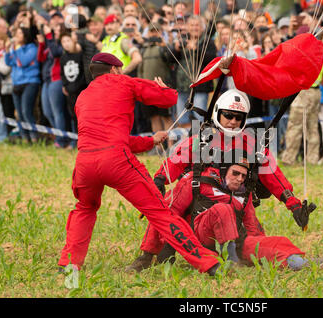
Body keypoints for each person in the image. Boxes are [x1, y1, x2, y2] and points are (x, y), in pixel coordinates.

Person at [57, 52, 220, 275]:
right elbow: (170, 99)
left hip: (85, 163)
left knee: (84, 208)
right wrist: (164, 88)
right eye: (121, 69)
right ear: (114, 70)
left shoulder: (83, 97)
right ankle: (207, 263)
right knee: (160, 213)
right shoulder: (124, 82)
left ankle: (69, 266)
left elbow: (108, 139)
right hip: (117, 162)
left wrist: (150, 141)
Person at [127, 87, 314, 270]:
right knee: (167, 202)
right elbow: (174, 162)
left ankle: (300, 262)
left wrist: (294, 205)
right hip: (198, 218)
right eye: (228, 115)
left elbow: (274, 176)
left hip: (237, 215)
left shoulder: (252, 145)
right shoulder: (201, 141)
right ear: (218, 113)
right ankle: (148, 255)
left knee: (257, 245)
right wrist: (159, 181)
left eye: (238, 117)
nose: (233, 121)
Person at [126, 156, 323, 272]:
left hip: (231, 243)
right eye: (235, 173)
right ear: (223, 170)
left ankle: (303, 263)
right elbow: (165, 215)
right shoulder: (197, 180)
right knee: (222, 209)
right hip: (198, 238)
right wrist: (151, 253)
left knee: (272, 242)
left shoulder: (243, 196)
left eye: (243, 176)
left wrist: (260, 248)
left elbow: (253, 228)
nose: (239, 179)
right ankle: (232, 264)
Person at [280, 64, 323, 166]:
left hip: (304, 92)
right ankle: (313, 158)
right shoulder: (320, 52)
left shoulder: (308, 52)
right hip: (316, 91)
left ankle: (289, 159)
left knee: (295, 126)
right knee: (312, 127)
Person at [4, 27, 41, 143]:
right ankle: (25, 138)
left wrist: (15, 48)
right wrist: (7, 50)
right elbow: (8, 62)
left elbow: (23, 62)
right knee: (19, 113)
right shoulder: (16, 49)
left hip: (30, 82)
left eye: (19, 33)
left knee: (26, 111)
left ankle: (34, 137)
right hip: (17, 83)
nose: (17, 35)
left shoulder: (32, 49)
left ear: (25, 36)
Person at [60, 31, 87, 149]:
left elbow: (83, 74)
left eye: (68, 41)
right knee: (73, 116)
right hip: (69, 92)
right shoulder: (63, 58)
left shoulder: (80, 55)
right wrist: (65, 86)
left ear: (73, 41)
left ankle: (85, 141)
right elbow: (62, 74)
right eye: (63, 42)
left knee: (83, 117)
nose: (66, 44)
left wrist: (77, 87)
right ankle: (76, 140)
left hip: (80, 91)